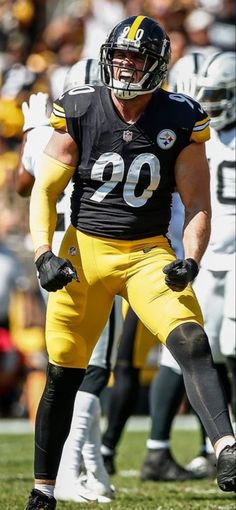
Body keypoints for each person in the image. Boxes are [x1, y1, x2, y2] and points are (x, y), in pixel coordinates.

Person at [24, 15, 236, 510]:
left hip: (145, 252)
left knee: (191, 337)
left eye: (134, 58)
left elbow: (198, 201)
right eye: (118, 56)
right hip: (84, 250)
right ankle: (43, 489)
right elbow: (44, 190)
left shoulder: (181, 117)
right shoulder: (81, 107)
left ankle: (227, 447)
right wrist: (42, 253)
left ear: (157, 66)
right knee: (63, 373)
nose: (123, 65)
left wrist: (192, 258)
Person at [16, 60, 121, 503]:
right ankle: (68, 469)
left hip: (49, 258)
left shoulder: (46, 133)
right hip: (87, 256)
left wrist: (31, 135)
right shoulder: (107, 132)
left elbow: (23, 185)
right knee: (89, 370)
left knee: (71, 367)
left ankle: (90, 469)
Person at [140, 50, 236, 481]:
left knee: (226, 352)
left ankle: (219, 445)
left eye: (217, 95)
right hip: (195, 256)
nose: (210, 105)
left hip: (226, 257)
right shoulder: (191, 132)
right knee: (186, 354)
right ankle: (162, 448)